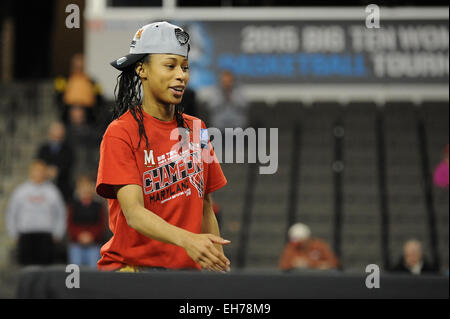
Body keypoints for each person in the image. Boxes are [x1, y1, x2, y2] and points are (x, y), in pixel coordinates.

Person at [96, 21, 230, 272]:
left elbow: (205, 205)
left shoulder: (197, 129)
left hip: (184, 275)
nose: (181, 75)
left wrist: (217, 266)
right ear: (142, 69)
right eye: (170, 66)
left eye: (185, 67)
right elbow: (134, 213)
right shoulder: (120, 132)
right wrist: (187, 240)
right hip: (132, 271)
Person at [5, 160, 66, 266]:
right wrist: (14, 232)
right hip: (25, 234)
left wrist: (58, 232)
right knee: (26, 268)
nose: (38, 173)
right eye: (36, 170)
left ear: (45, 172)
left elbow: (61, 213)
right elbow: (12, 212)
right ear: (31, 172)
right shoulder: (21, 190)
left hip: (46, 235)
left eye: (41, 171)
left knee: (44, 268)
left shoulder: (53, 191)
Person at [67, 175, 107, 268]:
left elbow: (101, 225)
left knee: (93, 270)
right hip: (76, 244)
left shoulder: (99, 206)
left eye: (88, 186)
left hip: (94, 244)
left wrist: (91, 236)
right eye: (83, 187)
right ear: (78, 189)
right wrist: (79, 236)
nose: (86, 190)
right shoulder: (73, 205)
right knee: (75, 271)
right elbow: (70, 224)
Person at [54, 53, 104, 126]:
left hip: (88, 119)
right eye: (76, 67)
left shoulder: (93, 82)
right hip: (67, 118)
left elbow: (100, 99)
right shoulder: (63, 80)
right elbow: (58, 99)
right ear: (72, 66)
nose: (79, 69)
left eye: (81, 67)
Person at [36, 122, 75, 202]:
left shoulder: (68, 149)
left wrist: (57, 170)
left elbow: (69, 163)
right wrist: (47, 170)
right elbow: (39, 162)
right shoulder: (43, 149)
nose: (57, 137)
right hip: (44, 184)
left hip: (63, 185)